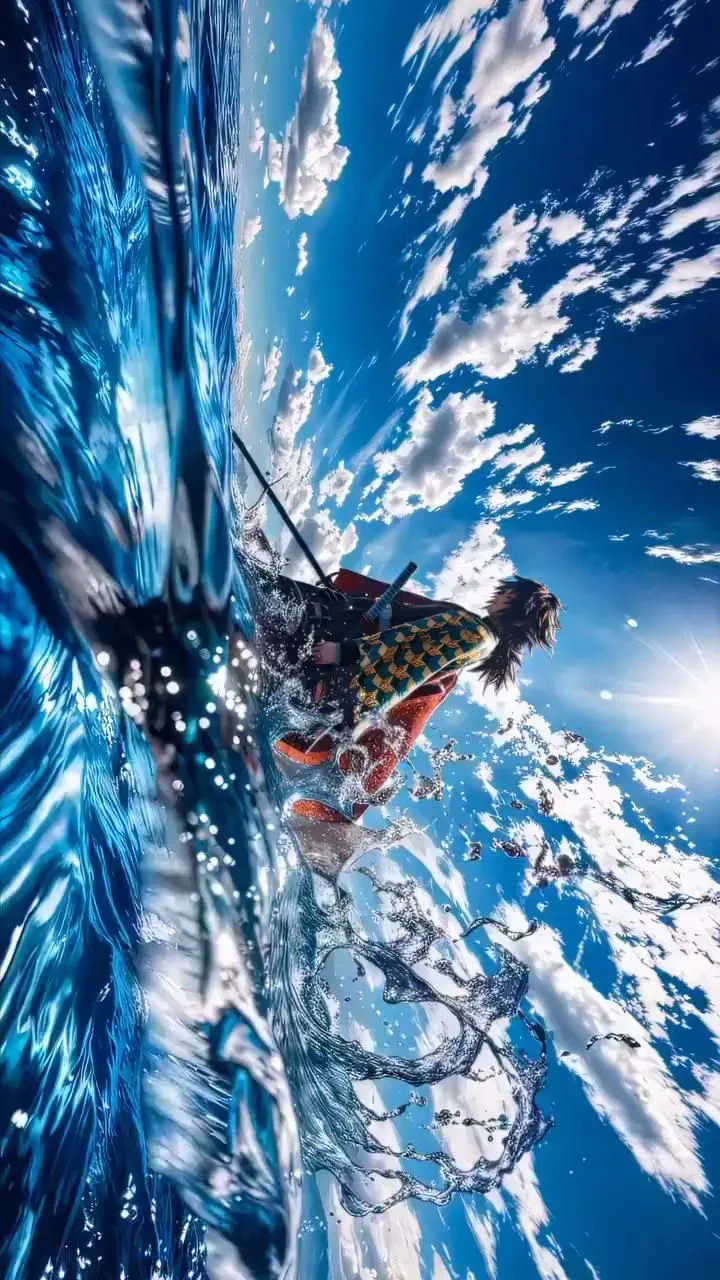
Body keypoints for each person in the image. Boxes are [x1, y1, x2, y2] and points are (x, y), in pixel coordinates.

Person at [271, 570, 562, 873]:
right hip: (346, 679)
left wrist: (344, 654)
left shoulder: (475, 633)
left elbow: (406, 652)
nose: (497, 593)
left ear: (512, 599)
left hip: (339, 668)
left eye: (505, 591)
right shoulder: (477, 635)